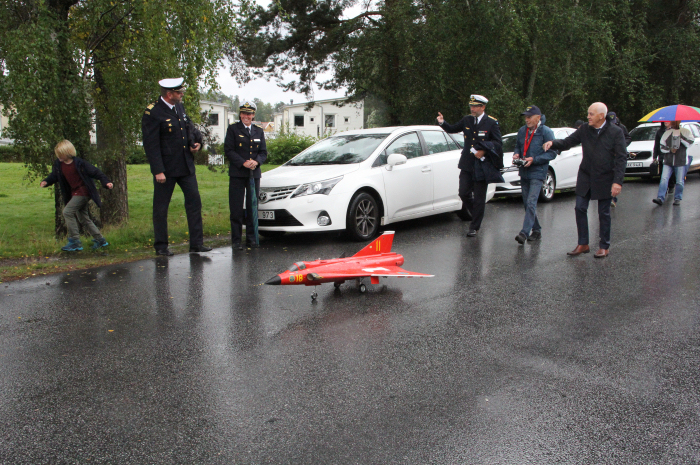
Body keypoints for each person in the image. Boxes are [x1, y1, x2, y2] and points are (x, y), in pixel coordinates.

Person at [543, 102, 627, 258]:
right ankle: (583, 243)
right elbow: (567, 142)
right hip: (586, 175)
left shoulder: (615, 132)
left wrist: (617, 181)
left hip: (605, 176)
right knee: (580, 208)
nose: (588, 117)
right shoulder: (585, 130)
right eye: (588, 113)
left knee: (603, 213)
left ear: (601, 116)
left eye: (591, 114)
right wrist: (553, 143)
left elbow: (622, 158)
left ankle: (604, 246)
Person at [141, 78, 212, 256]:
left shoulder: (179, 107)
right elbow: (151, 144)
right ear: (169, 93)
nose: (181, 95)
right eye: (179, 92)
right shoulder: (153, 112)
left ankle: (196, 244)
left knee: (194, 202)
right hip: (166, 168)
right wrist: (158, 170)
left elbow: (189, 129)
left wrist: (196, 142)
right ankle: (161, 246)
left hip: (185, 166)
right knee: (161, 207)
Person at [437, 94, 503, 237]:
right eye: (471, 106)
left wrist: (484, 150)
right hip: (467, 163)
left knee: (479, 197)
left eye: (475, 106)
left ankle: (474, 226)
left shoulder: (491, 122)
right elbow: (453, 128)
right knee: (463, 192)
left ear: (482, 107)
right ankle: (477, 215)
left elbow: (498, 143)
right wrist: (442, 123)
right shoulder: (467, 119)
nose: (472, 109)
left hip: (482, 164)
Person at [40, 140, 113, 252]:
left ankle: (75, 241)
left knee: (67, 212)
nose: (58, 156)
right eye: (58, 154)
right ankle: (100, 240)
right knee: (83, 218)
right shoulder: (59, 164)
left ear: (68, 153)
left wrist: (106, 182)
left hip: (84, 192)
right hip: (74, 193)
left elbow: (96, 172)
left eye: (61, 154)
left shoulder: (80, 163)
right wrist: (46, 181)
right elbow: (54, 175)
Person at [223, 100, 268, 250]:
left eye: (249, 114)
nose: (246, 116)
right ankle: (236, 241)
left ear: (253, 115)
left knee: (252, 207)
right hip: (238, 173)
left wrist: (256, 162)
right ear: (240, 115)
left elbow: (263, 152)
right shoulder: (233, 129)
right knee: (236, 208)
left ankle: (251, 239)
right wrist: (243, 162)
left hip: (253, 174)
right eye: (243, 113)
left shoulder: (258, 131)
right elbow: (229, 150)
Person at [511, 106, 557, 244]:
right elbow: (518, 145)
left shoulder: (546, 132)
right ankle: (536, 230)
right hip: (524, 171)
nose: (527, 119)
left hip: (538, 172)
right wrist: (516, 154)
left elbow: (552, 153)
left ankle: (524, 233)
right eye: (525, 116)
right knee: (526, 203)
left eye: (529, 117)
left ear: (538, 117)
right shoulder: (522, 131)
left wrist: (534, 160)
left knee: (531, 202)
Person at [653, 121, 694, 206]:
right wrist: (669, 149)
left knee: (679, 181)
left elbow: (690, 142)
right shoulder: (667, 133)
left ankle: (677, 198)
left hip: (681, 161)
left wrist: (680, 136)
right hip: (668, 161)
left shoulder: (685, 131)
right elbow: (661, 146)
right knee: (664, 179)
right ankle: (660, 198)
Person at [606, 112, 631, 207]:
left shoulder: (622, 128)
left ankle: (613, 198)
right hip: (608, 156)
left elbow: (628, 137)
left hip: (619, 155)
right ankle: (608, 197)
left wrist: (622, 145)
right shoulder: (605, 128)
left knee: (616, 176)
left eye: (614, 122)